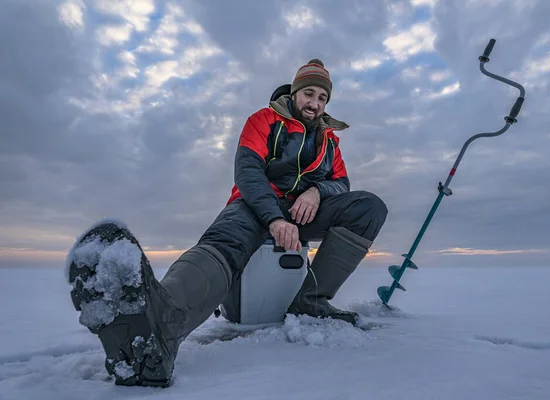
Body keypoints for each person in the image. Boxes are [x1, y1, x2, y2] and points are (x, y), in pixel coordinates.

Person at [66, 59, 388, 387]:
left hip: (305, 211)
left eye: (322, 97)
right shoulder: (263, 120)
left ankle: (311, 301)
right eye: (309, 93)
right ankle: (164, 320)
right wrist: (274, 217)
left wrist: (318, 192)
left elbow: (342, 183)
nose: (315, 103)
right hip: (254, 203)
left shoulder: (330, 141)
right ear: (295, 92)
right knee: (227, 237)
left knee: (369, 209)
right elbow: (248, 173)